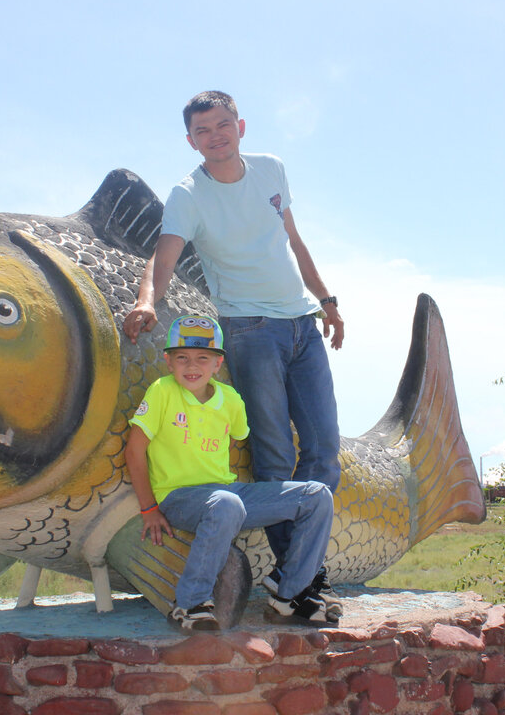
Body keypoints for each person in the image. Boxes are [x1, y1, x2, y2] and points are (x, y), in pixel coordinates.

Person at [122, 90, 344, 613]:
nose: (214, 135)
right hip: (249, 329)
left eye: (223, 124)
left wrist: (327, 301)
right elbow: (165, 253)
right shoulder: (188, 194)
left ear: (240, 126)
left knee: (323, 453)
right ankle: (303, 585)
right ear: (191, 141)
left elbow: (293, 239)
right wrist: (146, 301)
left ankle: (295, 577)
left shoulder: (271, 170)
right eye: (203, 130)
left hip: (302, 325)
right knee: (274, 454)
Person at [125, 315, 336, 630]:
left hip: (228, 495)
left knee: (317, 496)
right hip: (180, 498)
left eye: (202, 358)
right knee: (226, 503)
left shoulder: (232, 401)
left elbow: (238, 435)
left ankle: (289, 595)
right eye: (182, 358)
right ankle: (189, 604)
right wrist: (149, 508)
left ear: (218, 364)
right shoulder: (162, 392)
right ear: (168, 362)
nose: (191, 366)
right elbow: (134, 450)